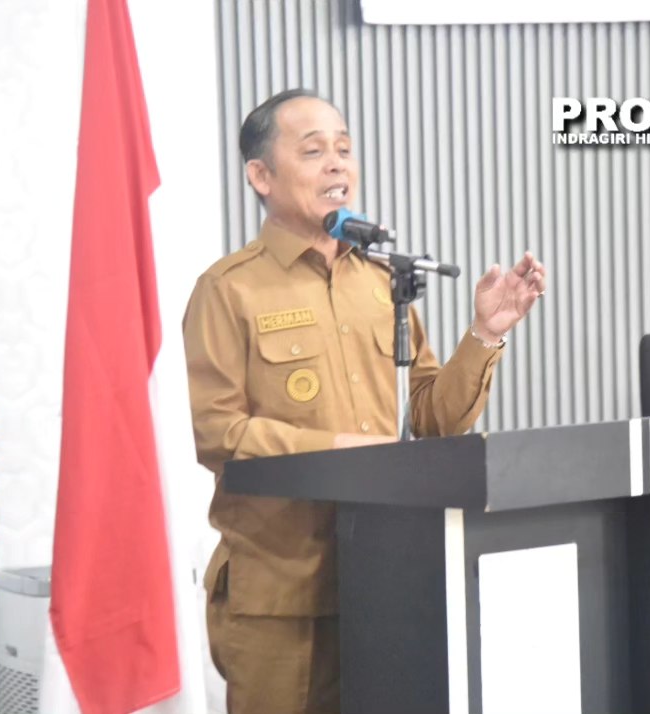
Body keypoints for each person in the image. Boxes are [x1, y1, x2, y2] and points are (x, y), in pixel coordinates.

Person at [182, 88, 546, 714]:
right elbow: (217, 431)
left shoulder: (384, 282)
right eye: (313, 150)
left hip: (389, 576)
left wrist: (486, 334)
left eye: (344, 149)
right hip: (283, 594)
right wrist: (338, 452)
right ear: (261, 176)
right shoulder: (228, 290)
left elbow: (431, 419)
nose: (336, 164)